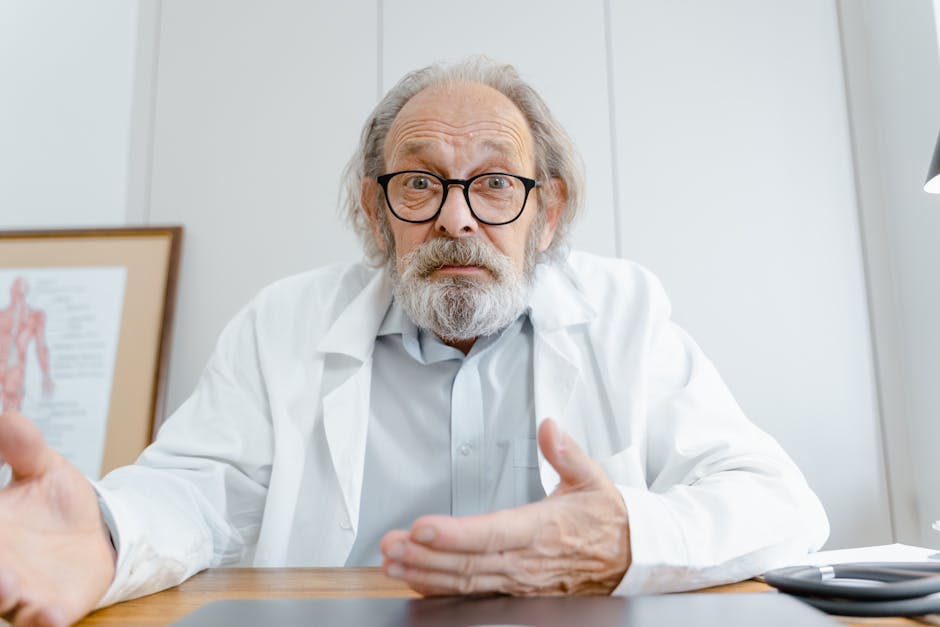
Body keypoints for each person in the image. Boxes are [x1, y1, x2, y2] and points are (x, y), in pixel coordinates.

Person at [0, 57, 829, 626]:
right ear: (376, 209)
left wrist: (623, 539)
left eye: (496, 182)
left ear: (548, 212)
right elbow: (192, 494)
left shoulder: (625, 314)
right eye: (420, 182)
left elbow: (780, 506)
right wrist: (103, 531)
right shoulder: (281, 325)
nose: (456, 215)